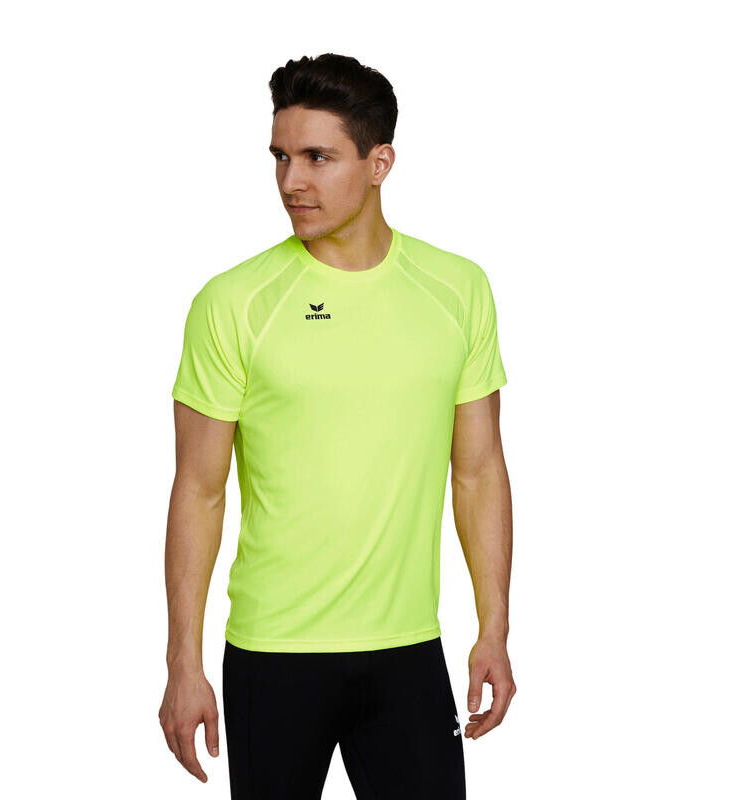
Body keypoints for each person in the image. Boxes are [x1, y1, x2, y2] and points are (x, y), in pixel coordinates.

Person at [158, 53, 516, 799]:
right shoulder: (234, 302)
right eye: (281, 157)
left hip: (408, 651)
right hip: (273, 654)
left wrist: (494, 628)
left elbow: (479, 471)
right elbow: (198, 489)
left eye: (318, 157)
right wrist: (182, 663)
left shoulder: (457, 290)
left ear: (379, 162)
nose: (292, 180)